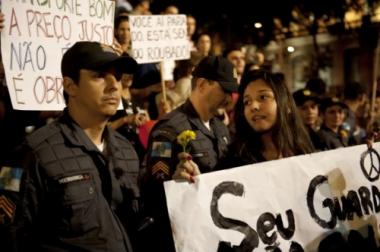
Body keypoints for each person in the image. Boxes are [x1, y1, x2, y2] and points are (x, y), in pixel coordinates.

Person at [2, 41, 141, 251]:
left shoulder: (127, 151)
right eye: (100, 75)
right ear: (70, 85)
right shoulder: (31, 153)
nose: (114, 86)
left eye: (118, 77)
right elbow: (10, 235)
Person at [141, 55, 238, 251]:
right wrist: (174, 182)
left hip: (221, 233)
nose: (229, 98)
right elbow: (152, 188)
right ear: (202, 84)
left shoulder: (221, 128)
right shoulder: (168, 130)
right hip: (188, 238)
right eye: (224, 90)